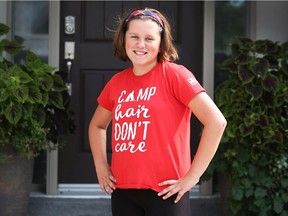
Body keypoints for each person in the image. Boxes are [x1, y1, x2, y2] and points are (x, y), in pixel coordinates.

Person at [88, 8, 227, 216]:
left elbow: (216, 122)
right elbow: (97, 125)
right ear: (123, 39)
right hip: (123, 191)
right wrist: (101, 165)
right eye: (134, 36)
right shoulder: (117, 83)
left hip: (167, 192)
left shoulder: (175, 75)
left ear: (161, 43)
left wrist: (192, 177)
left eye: (149, 38)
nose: (140, 44)